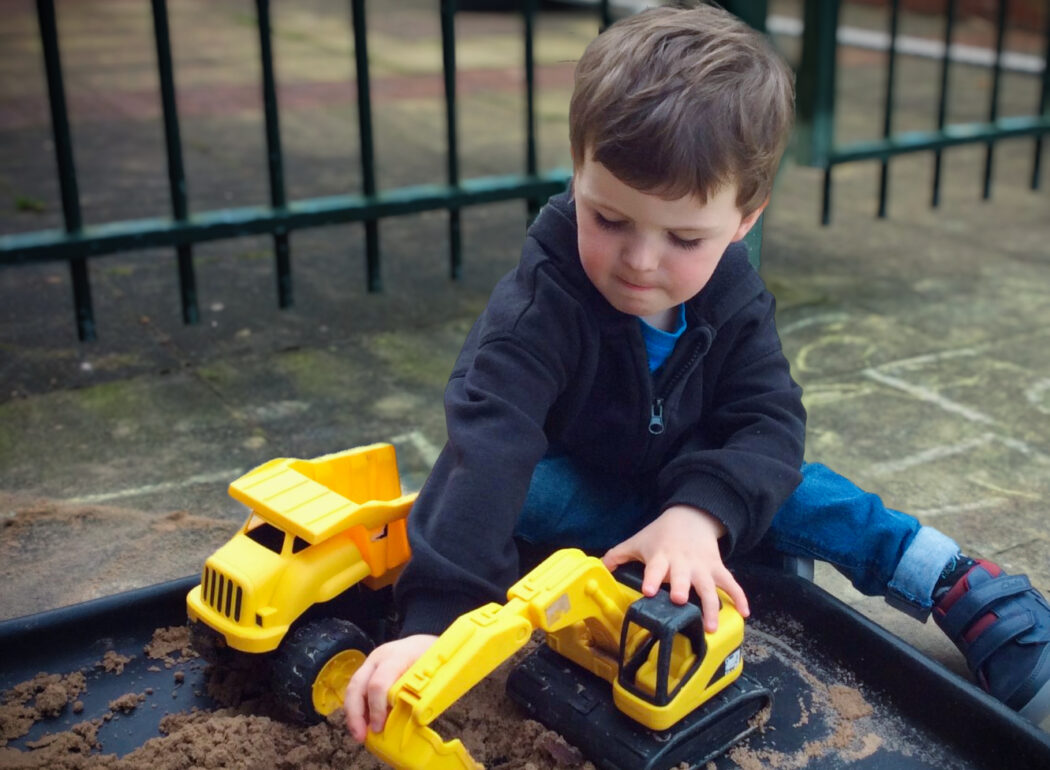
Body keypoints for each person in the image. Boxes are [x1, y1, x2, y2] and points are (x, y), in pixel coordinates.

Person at [345, 4, 1050, 741]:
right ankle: (742, 570)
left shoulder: (733, 291)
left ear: (746, 215)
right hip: (589, 492)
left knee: (804, 487)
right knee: (496, 488)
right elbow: (488, 442)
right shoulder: (540, 305)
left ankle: (956, 583)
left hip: (695, 475)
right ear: (578, 172)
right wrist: (435, 625)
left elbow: (770, 419)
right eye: (608, 219)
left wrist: (699, 513)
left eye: (683, 236)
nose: (640, 261)